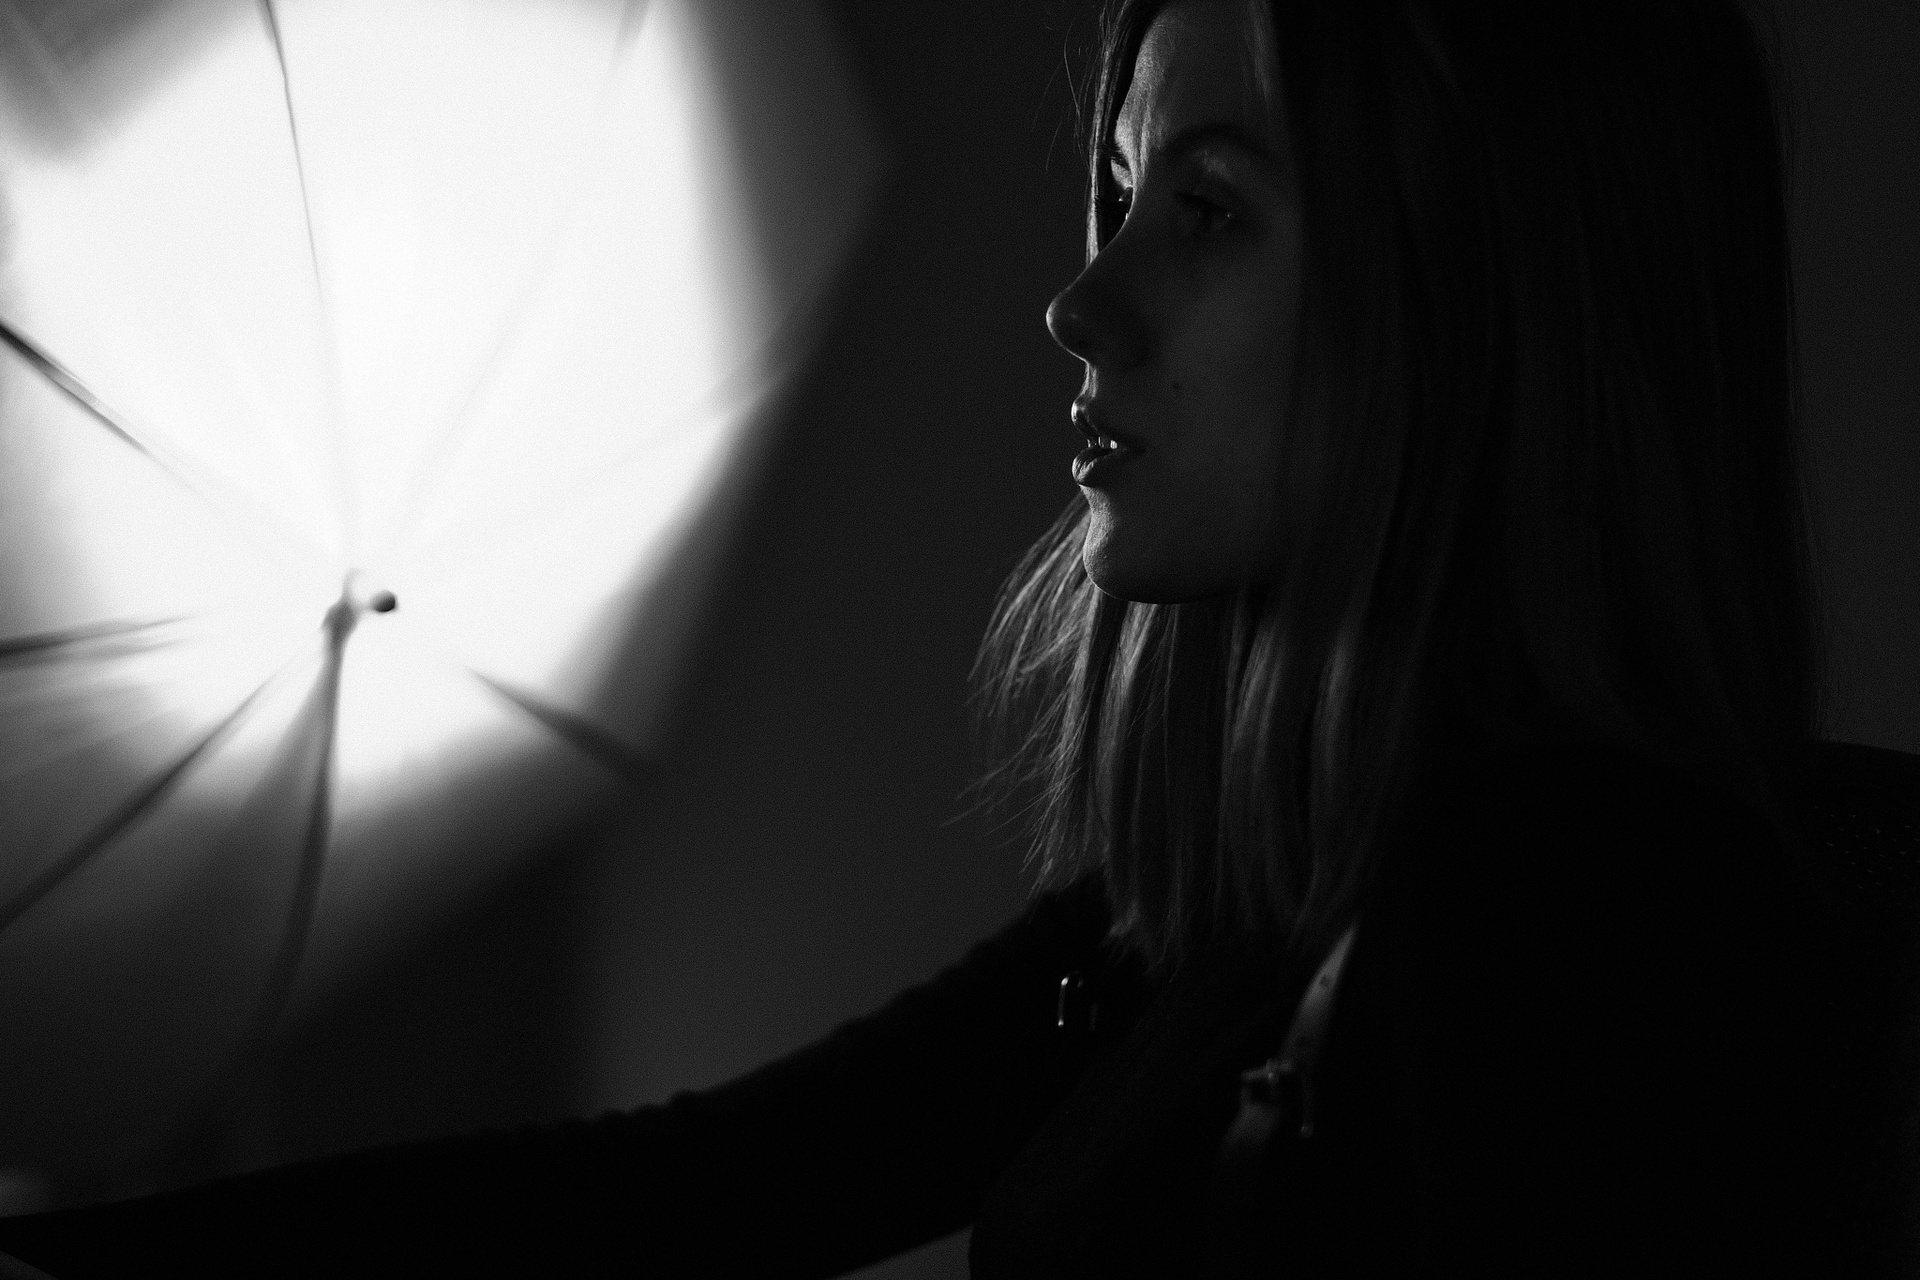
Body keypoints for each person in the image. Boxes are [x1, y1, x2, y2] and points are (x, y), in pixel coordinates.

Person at [0, 0, 1911, 1274]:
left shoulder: (1595, 927)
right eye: (1120, 193)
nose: (1084, 302)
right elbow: (713, 1185)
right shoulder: (1227, 909)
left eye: (1209, 210)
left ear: (1484, 287)